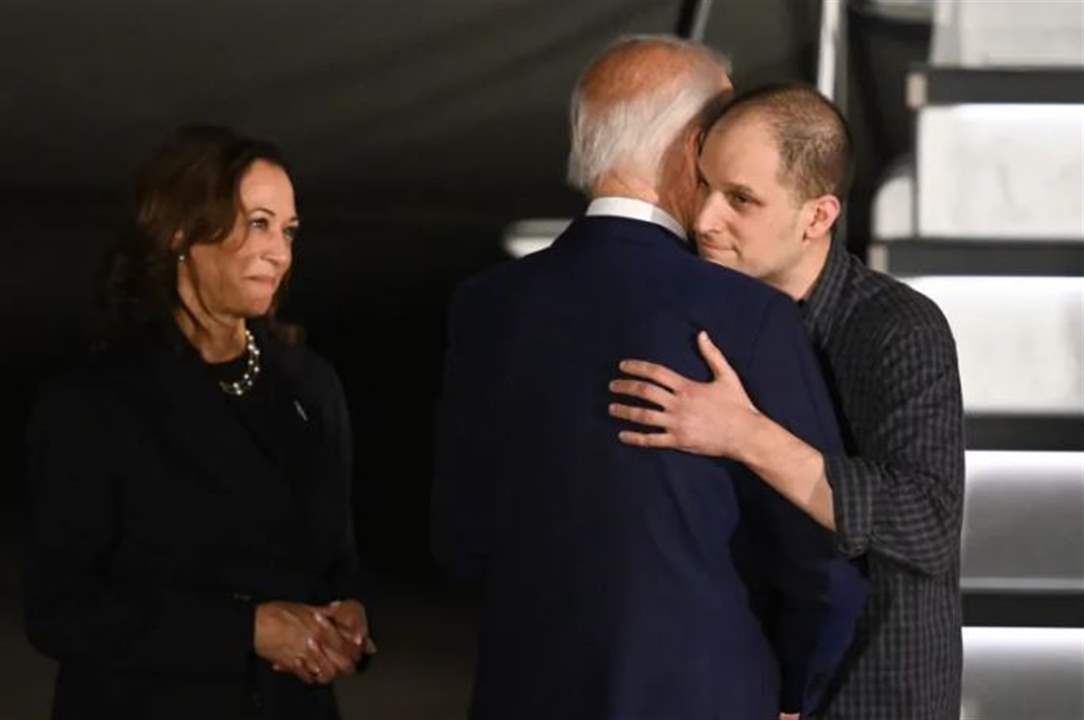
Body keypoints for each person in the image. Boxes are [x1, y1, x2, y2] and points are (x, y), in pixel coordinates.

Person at [431, 37, 866, 720]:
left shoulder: (486, 304)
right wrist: (795, 689)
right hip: (707, 696)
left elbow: (460, 540)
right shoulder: (747, 313)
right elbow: (820, 560)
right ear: (695, 147)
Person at [609, 85, 965, 719]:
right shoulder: (700, 312)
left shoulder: (898, 328)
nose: (705, 219)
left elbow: (926, 523)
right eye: (704, 185)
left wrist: (744, 435)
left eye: (741, 199)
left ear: (818, 217)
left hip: (870, 692)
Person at [23, 125, 376, 720]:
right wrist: (246, 630)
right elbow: (59, 611)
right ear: (181, 233)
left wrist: (348, 612)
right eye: (258, 223)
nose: (280, 253)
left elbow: (336, 557)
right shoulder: (94, 403)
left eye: (288, 231)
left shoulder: (310, 386)